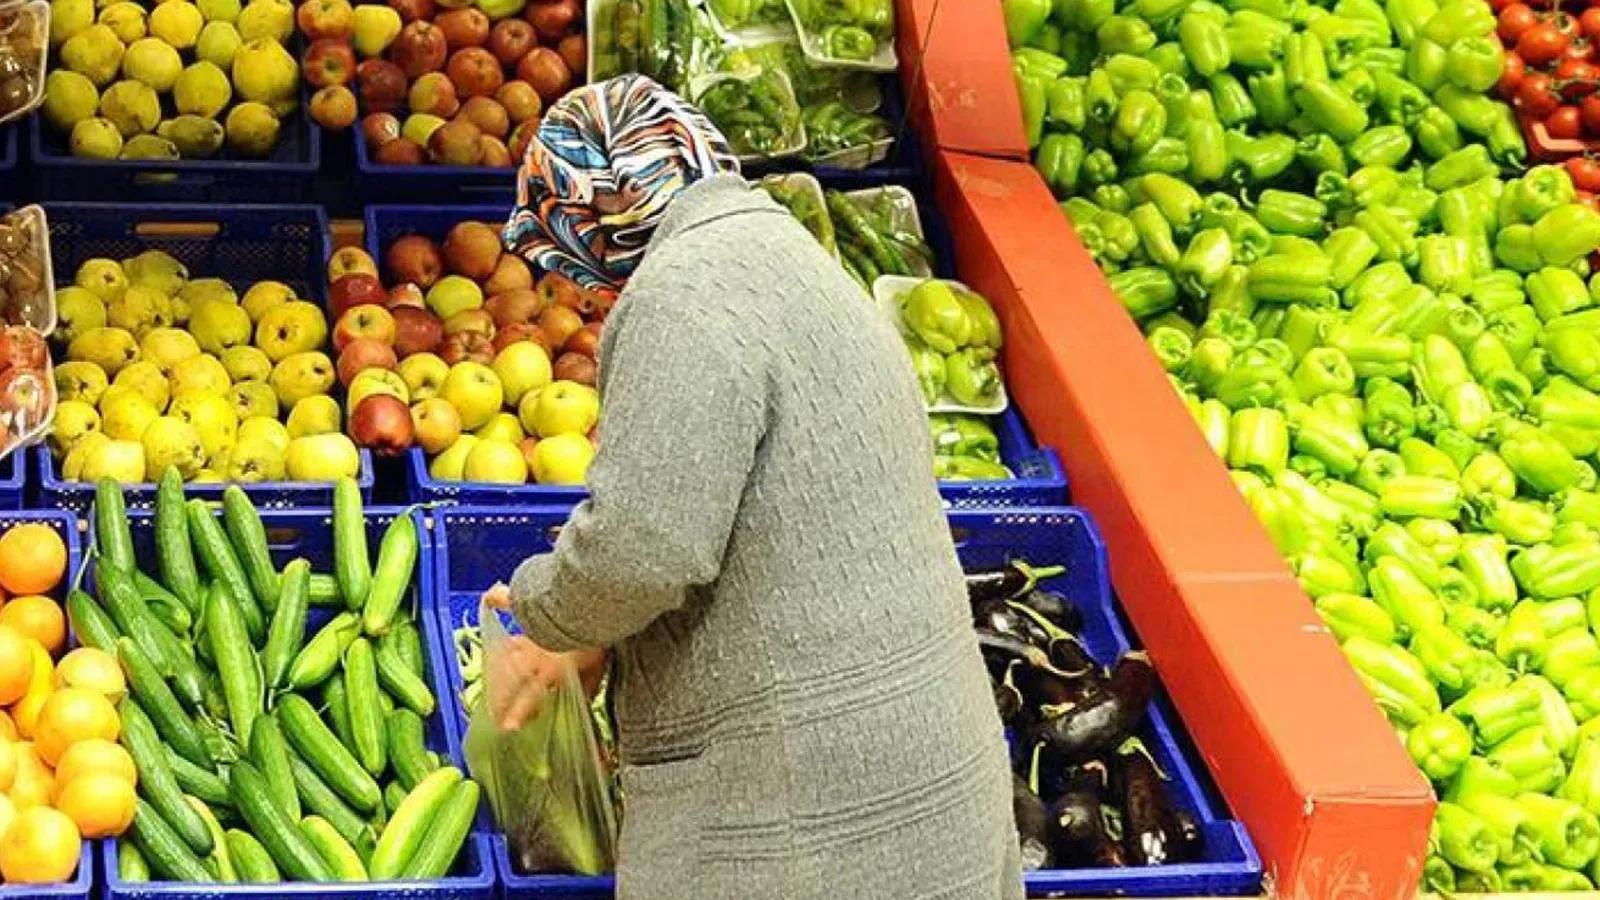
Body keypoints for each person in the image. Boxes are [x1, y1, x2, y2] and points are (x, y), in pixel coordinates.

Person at [485, 74, 1023, 900]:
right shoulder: (791, 259)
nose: (583, 296)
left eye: (569, 264)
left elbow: (642, 547)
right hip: (932, 783)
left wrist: (548, 611)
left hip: (812, 821)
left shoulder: (683, 293)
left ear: (595, 221)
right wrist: (599, 632)